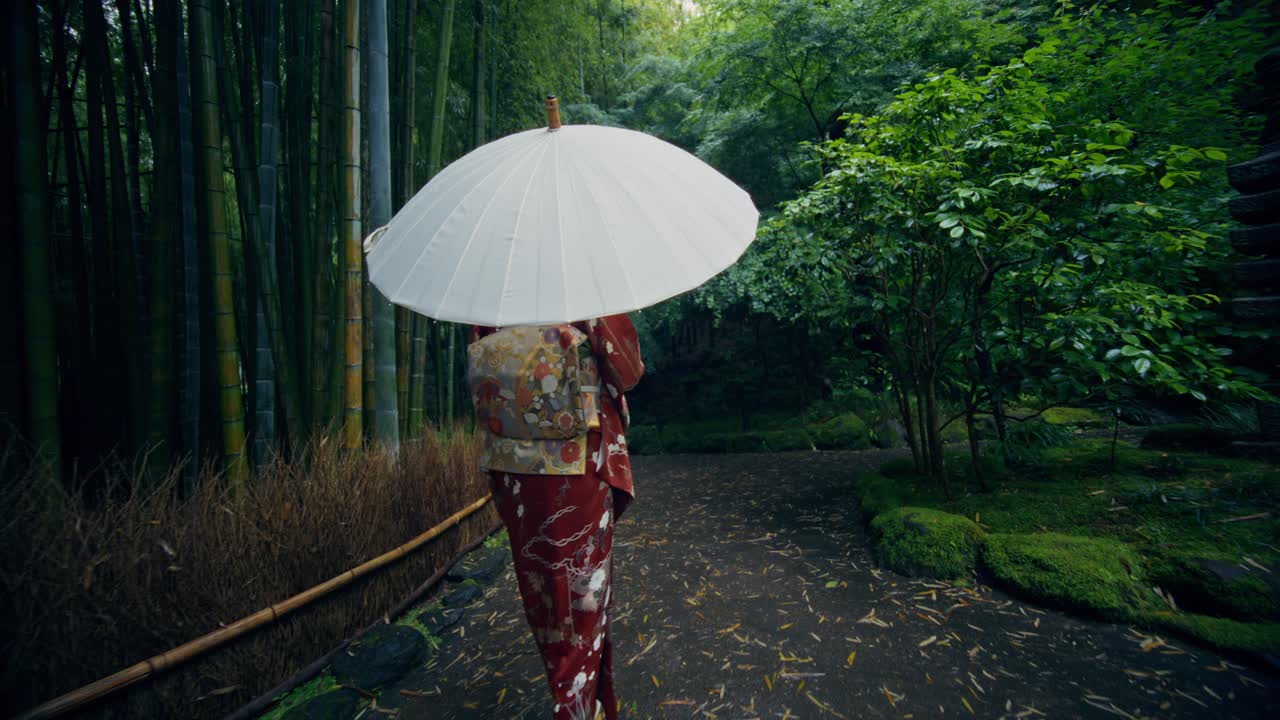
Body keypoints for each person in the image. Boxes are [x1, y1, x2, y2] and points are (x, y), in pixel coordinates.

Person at [470, 314, 644, 720]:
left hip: (512, 459)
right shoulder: (577, 269)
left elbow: (484, 366)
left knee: (545, 592)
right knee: (583, 594)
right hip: (575, 453)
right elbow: (627, 367)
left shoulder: (494, 277)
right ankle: (576, 707)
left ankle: (584, 700)